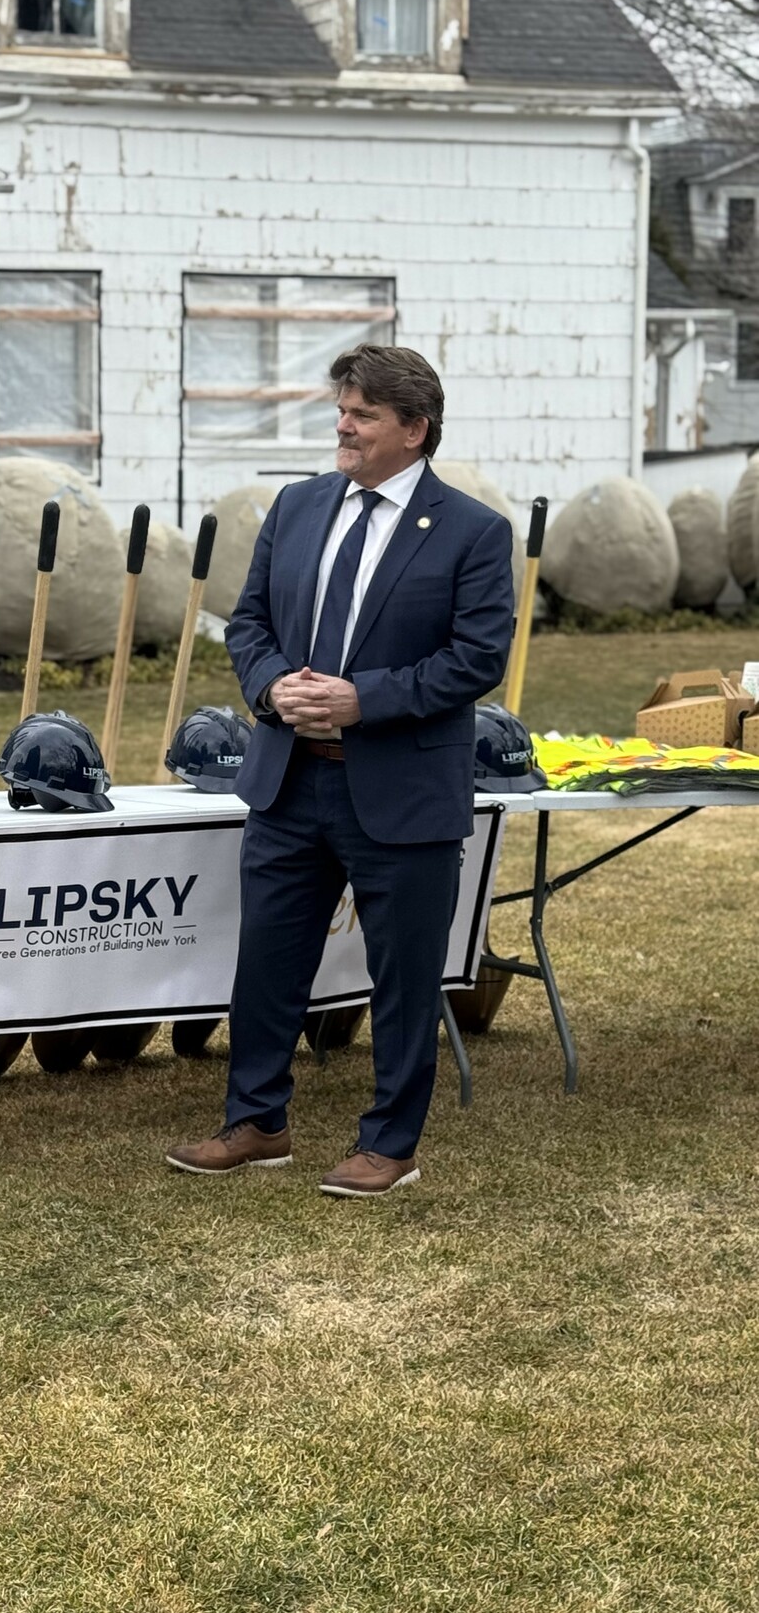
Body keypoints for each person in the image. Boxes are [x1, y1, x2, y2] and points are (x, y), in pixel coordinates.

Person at [168, 346, 515, 1198]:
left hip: (401, 788)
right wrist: (269, 684)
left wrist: (366, 700)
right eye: (342, 408)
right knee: (268, 962)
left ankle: (390, 1143)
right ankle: (257, 1122)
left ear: (414, 429)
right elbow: (248, 623)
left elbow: (476, 660)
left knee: (401, 976)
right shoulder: (298, 505)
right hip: (289, 782)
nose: (343, 424)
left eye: (362, 413)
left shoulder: (474, 531)